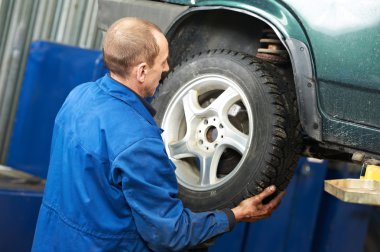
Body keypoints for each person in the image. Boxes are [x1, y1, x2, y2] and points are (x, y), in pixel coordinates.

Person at [32, 17, 284, 251]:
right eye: (163, 61)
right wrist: (235, 214)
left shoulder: (78, 96)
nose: (167, 68)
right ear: (141, 71)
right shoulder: (139, 142)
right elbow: (169, 234)